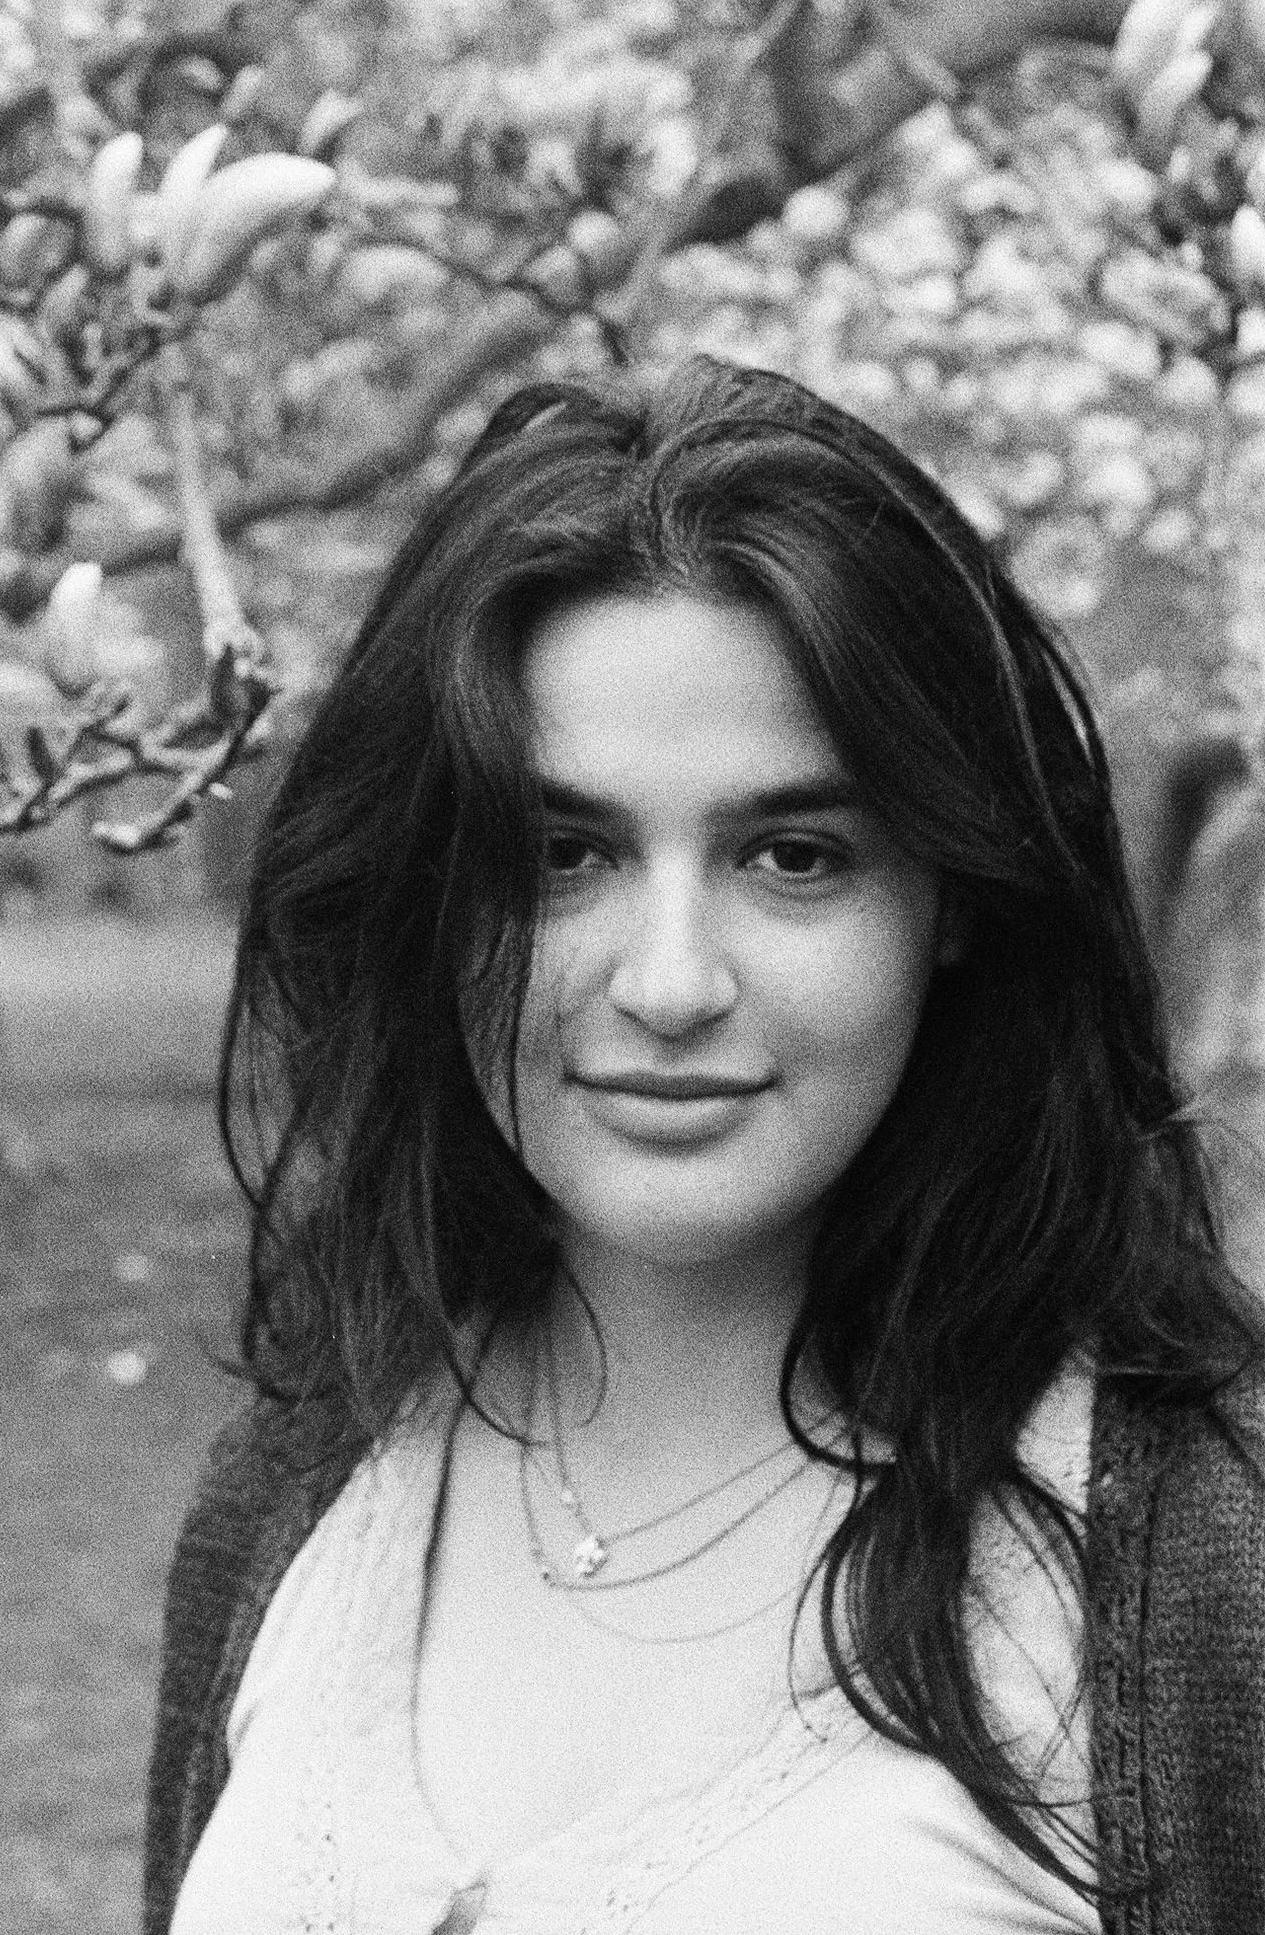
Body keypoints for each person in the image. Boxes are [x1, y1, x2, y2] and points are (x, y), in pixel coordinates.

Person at [142, 359, 1265, 1934]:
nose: (669, 983)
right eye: (561, 855)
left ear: (952, 900)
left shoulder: (1203, 1561)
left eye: (793, 856)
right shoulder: (302, 1481)